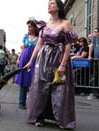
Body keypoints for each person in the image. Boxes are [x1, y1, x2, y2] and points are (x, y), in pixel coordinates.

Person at [24, 0, 77, 129]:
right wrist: (31, 61)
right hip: (43, 60)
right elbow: (39, 44)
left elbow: (68, 45)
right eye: (49, 3)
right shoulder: (45, 25)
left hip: (59, 59)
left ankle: (61, 118)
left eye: (52, 3)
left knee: (59, 88)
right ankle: (39, 116)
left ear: (58, 7)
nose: (49, 5)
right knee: (40, 87)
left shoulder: (65, 23)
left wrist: (63, 65)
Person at [15, 19, 39, 110]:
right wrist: (18, 58)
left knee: (34, 80)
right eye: (28, 27)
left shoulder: (39, 37)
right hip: (24, 59)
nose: (28, 28)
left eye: (30, 26)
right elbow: (23, 48)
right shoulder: (25, 36)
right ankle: (22, 103)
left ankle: (33, 104)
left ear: (35, 27)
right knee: (23, 81)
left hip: (35, 59)